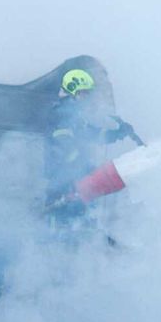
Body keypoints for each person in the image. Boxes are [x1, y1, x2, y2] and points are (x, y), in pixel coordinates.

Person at [45, 68, 138, 221]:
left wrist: (118, 133)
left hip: (74, 181)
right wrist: (85, 167)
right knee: (66, 225)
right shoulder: (60, 114)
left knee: (82, 221)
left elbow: (92, 135)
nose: (87, 98)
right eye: (83, 94)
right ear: (73, 92)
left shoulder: (75, 116)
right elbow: (65, 146)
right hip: (63, 185)